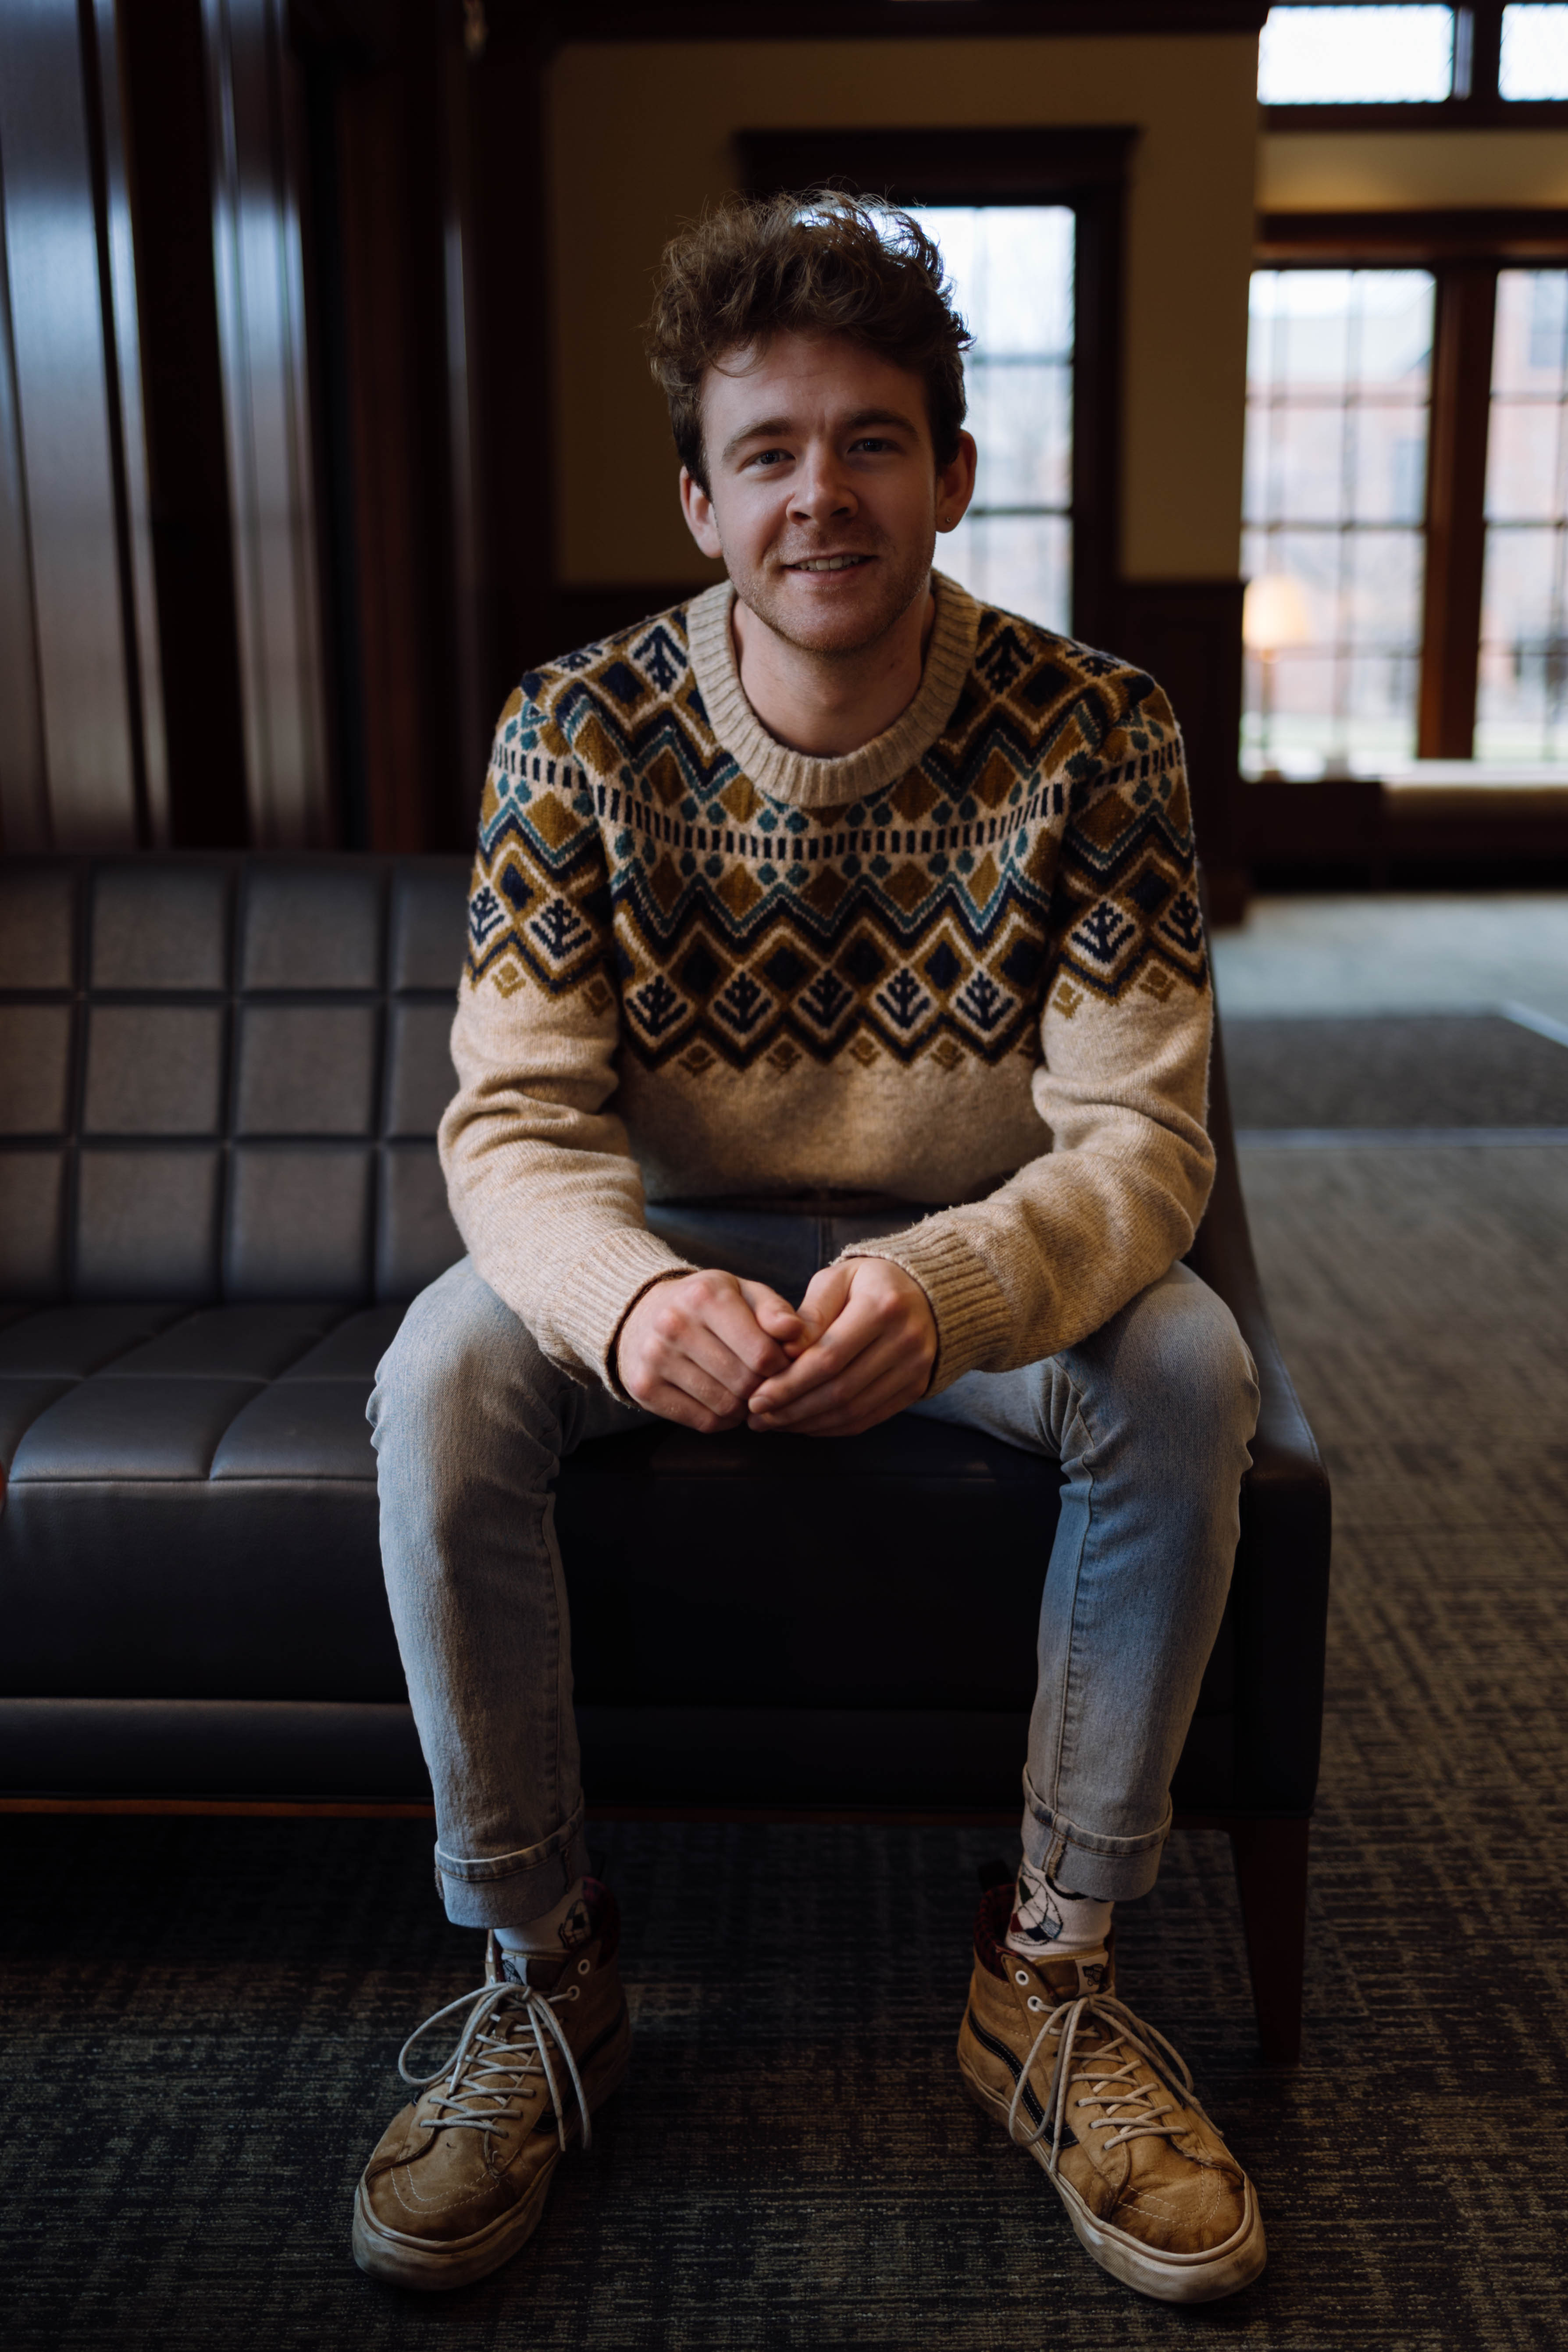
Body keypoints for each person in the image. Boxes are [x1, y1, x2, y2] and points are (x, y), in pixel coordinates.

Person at [353, 191, 1265, 2306]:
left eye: (873, 441)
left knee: (1198, 1367)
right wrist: (629, 1292)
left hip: (983, 1260)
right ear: (700, 495)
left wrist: (952, 1285)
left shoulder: (1096, 730)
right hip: (672, 1240)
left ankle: (1049, 1976)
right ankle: (541, 1967)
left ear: (955, 471)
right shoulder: (573, 731)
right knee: (442, 1371)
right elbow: (514, 1124)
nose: (821, 494)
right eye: (769, 451)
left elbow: (1141, 1141)